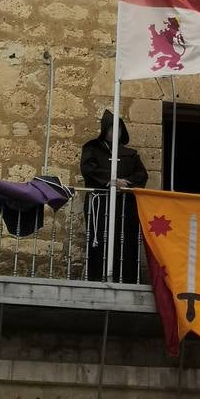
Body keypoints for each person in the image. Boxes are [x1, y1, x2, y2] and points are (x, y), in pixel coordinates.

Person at [80, 109, 148, 283]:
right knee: (99, 240)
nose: (114, 133)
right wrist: (110, 181)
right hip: (100, 205)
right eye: (110, 129)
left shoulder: (131, 154)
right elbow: (88, 169)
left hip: (124, 207)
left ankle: (126, 279)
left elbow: (141, 175)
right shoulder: (92, 149)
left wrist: (125, 182)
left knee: (124, 242)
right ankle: (97, 278)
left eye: (118, 129)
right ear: (105, 130)